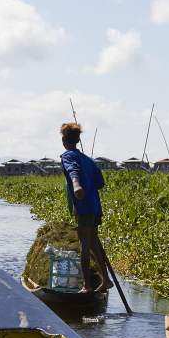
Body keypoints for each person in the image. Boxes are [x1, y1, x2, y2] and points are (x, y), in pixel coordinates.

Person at [59, 122, 111, 293]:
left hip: (85, 208)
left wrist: (77, 186)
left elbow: (72, 171)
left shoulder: (68, 156)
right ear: (78, 140)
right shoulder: (88, 160)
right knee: (94, 243)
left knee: (85, 244)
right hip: (95, 207)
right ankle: (106, 280)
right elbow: (100, 183)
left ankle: (87, 286)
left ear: (64, 140)